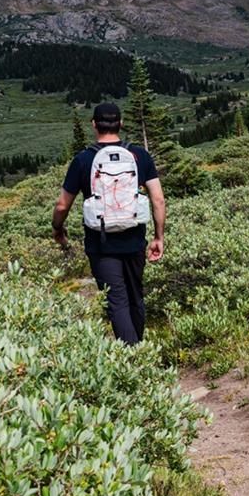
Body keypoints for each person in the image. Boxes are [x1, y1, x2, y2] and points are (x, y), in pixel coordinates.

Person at [53, 101, 165, 345]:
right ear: (120, 124)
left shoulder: (83, 159)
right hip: (134, 239)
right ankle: (140, 351)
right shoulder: (140, 155)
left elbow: (62, 205)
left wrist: (57, 229)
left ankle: (135, 360)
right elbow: (158, 199)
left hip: (101, 244)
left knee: (117, 302)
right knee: (136, 296)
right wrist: (158, 237)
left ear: (94, 125)